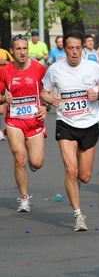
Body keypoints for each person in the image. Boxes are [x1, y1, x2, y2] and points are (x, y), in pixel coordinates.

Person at [41, 30, 99, 231]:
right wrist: (50, 100)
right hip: (66, 124)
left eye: (77, 48)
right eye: (70, 48)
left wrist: (97, 94)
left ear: (82, 49)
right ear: (64, 49)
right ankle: (78, 215)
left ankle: (75, 191)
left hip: (89, 124)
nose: (74, 52)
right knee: (71, 170)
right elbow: (44, 92)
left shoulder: (93, 67)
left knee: (84, 176)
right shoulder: (55, 69)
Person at [0, 34, 47, 212]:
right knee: (19, 158)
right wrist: (4, 98)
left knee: (36, 163)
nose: (22, 52)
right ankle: (24, 198)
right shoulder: (5, 71)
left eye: (25, 48)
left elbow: (47, 93)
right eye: (18, 49)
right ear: (11, 51)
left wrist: (46, 107)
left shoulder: (39, 69)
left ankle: (32, 164)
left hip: (34, 121)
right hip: (14, 121)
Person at [0, 45, 14, 140]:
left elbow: (13, 64)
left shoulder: (4, 52)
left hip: (4, 80)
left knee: (1, 111)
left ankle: (8, 125)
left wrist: (4, 62)